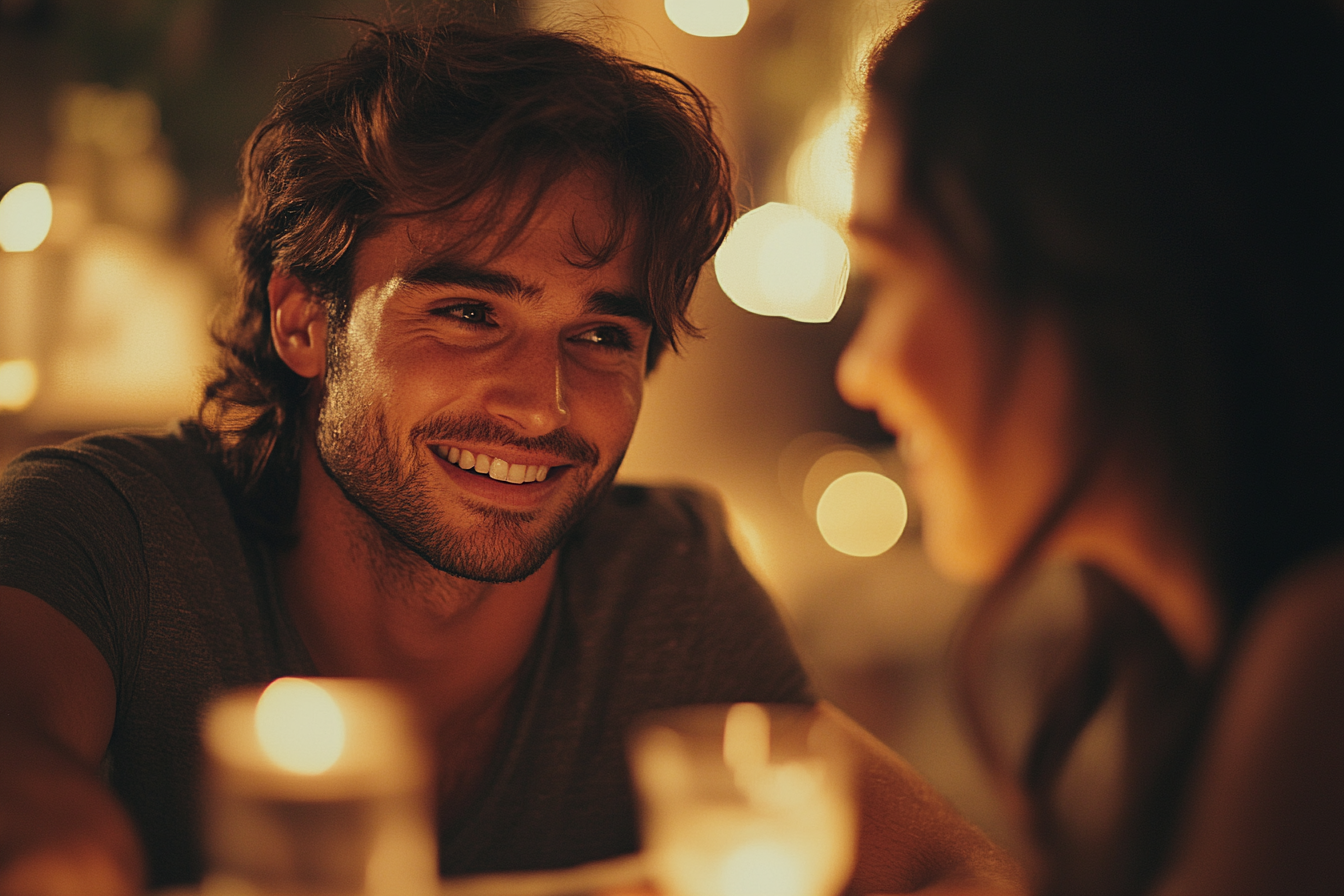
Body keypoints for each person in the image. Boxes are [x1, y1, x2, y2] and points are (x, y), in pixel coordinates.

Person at [0, 15, 1021, 896]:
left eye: (602, 333)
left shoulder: (661, 582)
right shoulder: (106, 535)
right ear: (303, 320)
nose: (543, 400)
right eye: (469, 313)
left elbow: (958, 871)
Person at [837, 0, 1344, 894]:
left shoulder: (1322, 659)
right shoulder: (1181, 673)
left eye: (887, 274)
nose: (859, 373)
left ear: (1091, 251)